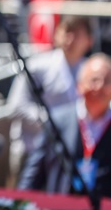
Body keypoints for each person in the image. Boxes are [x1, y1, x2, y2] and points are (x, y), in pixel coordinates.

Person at [6, 15, 94, 186]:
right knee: (20, 197)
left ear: (89, 41)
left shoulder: (91, 71)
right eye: (66, 32)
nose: (70, 39)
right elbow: (15, 106)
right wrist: (53, 122)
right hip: (30, 148)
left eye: (77, 34)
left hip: (69, 156)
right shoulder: (38, 65)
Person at [18, 53, 111, 198]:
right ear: (79, 85)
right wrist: (20, 202)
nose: (99, 87)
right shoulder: (57, 121)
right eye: (94, 80)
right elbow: (33, 173)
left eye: (106, 81)